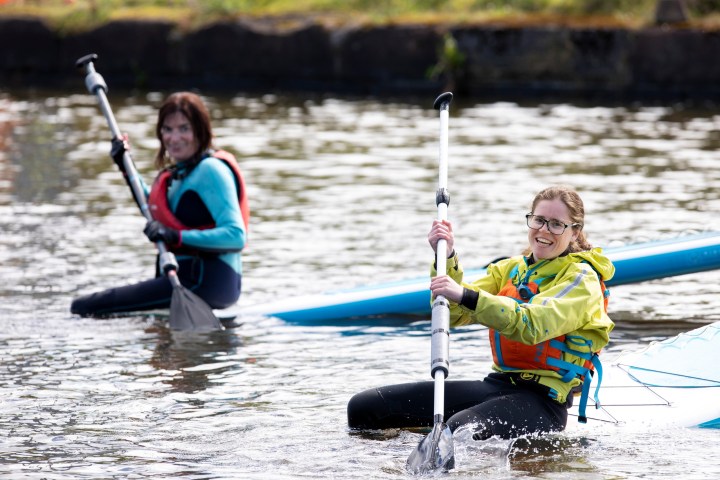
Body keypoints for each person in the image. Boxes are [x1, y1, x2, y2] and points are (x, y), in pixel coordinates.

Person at [347, 185, 614, 440]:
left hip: (544, 402)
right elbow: (453, 315)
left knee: (459, 431)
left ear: (576, 232)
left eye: (556, 224)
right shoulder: (509, 269)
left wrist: (466, 294)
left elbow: (531, 324)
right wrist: (447, 257)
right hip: (498, 385)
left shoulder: (582, 280)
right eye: (539, 220)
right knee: (365, 408)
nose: (544, 230)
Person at [71, 92, 249, 319]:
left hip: (205, 282)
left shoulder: (211, 171)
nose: (174, 138)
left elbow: (235, 236)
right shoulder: (179, 173)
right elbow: (153, 208)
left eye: (184, 128)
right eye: (167, 129)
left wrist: (176, 236)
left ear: (200, 131)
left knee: (83, 307)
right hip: (182, 279)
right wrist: (125, 167)